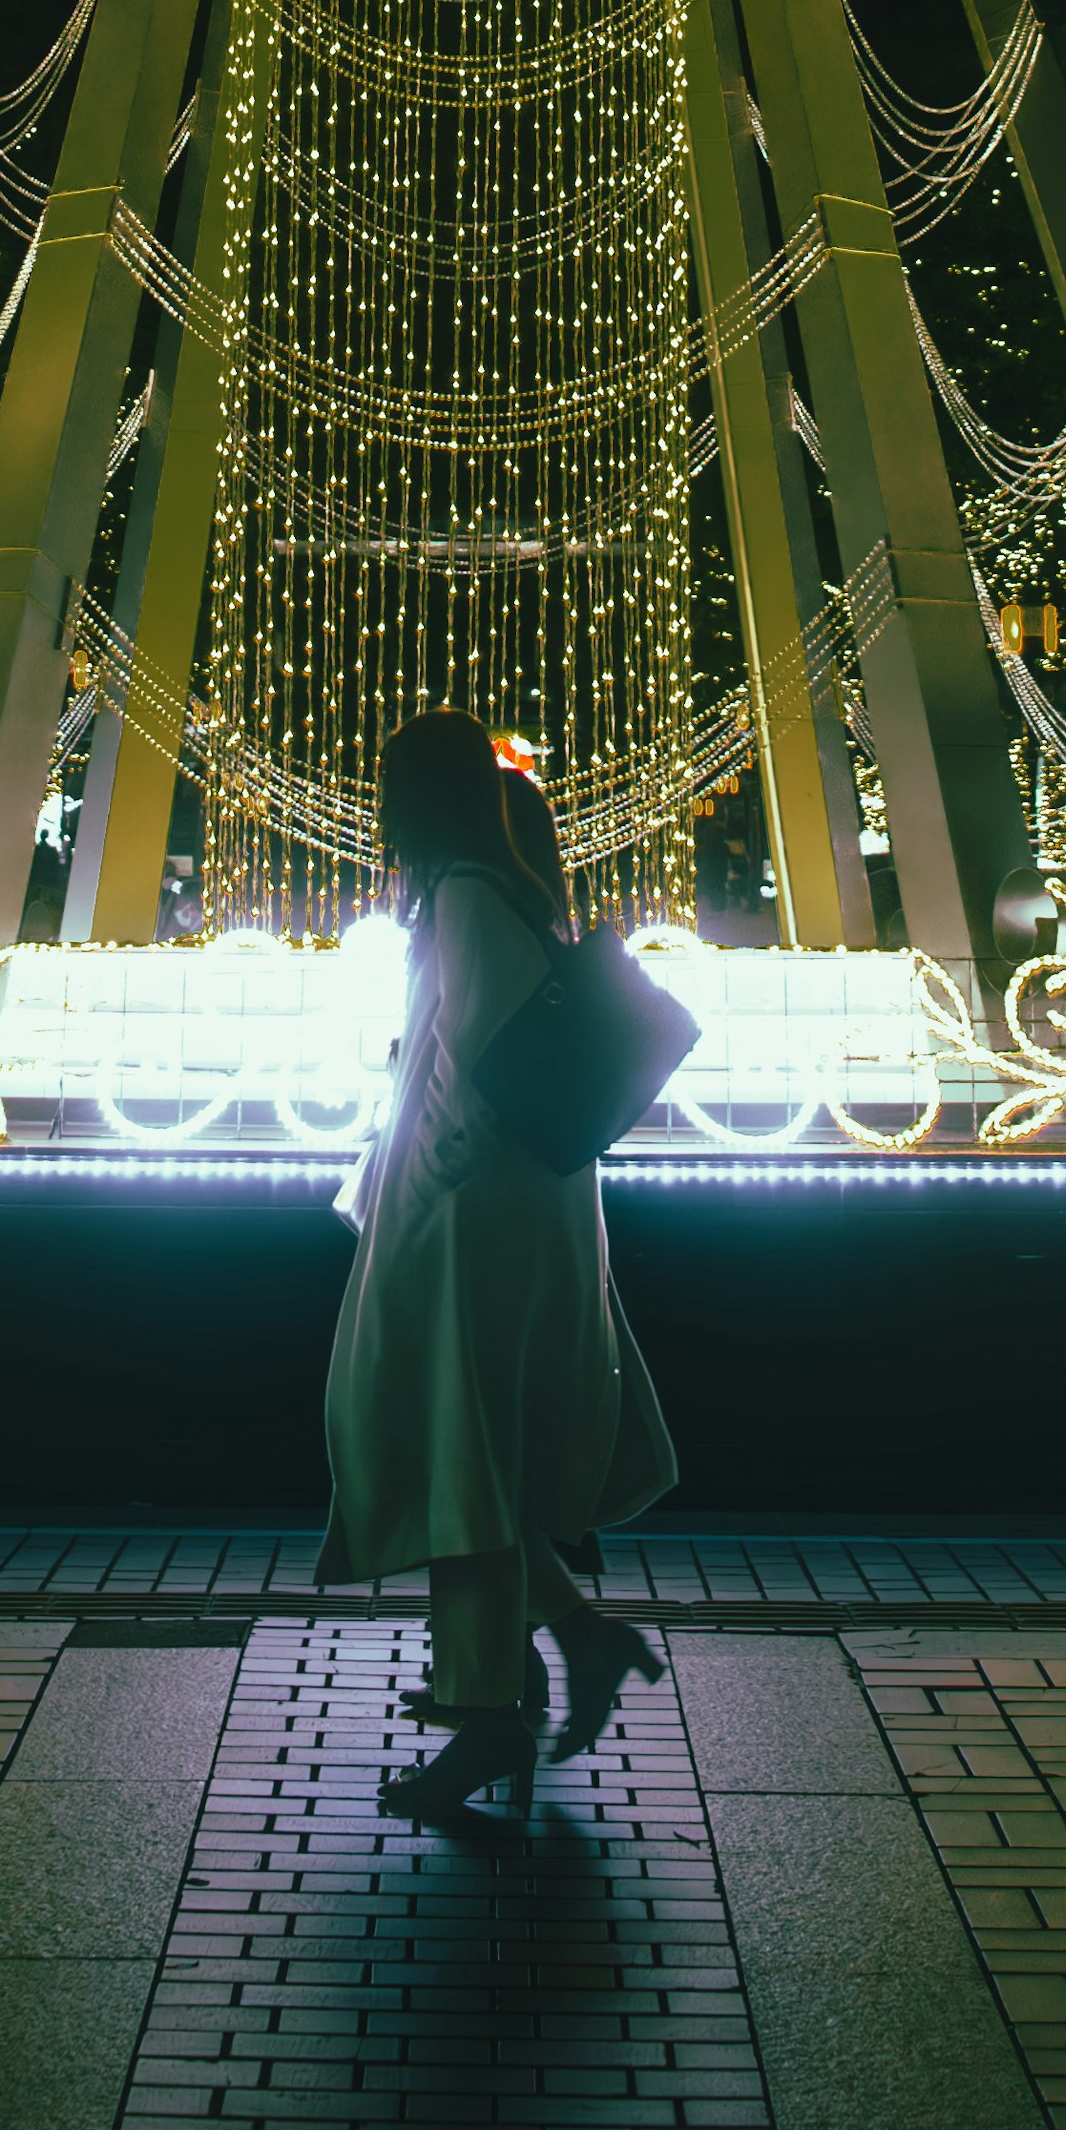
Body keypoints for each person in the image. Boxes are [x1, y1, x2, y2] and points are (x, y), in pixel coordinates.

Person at [319, 706, 673, 1825]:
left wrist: (420, 1186)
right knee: (476, 1457)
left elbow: (474, 1072)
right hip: (526, 1208)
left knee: (456, 1454)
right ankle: (567, 1643)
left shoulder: (464, 893)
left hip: (474, 1222)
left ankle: (489, 1720)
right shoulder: (504, 880)